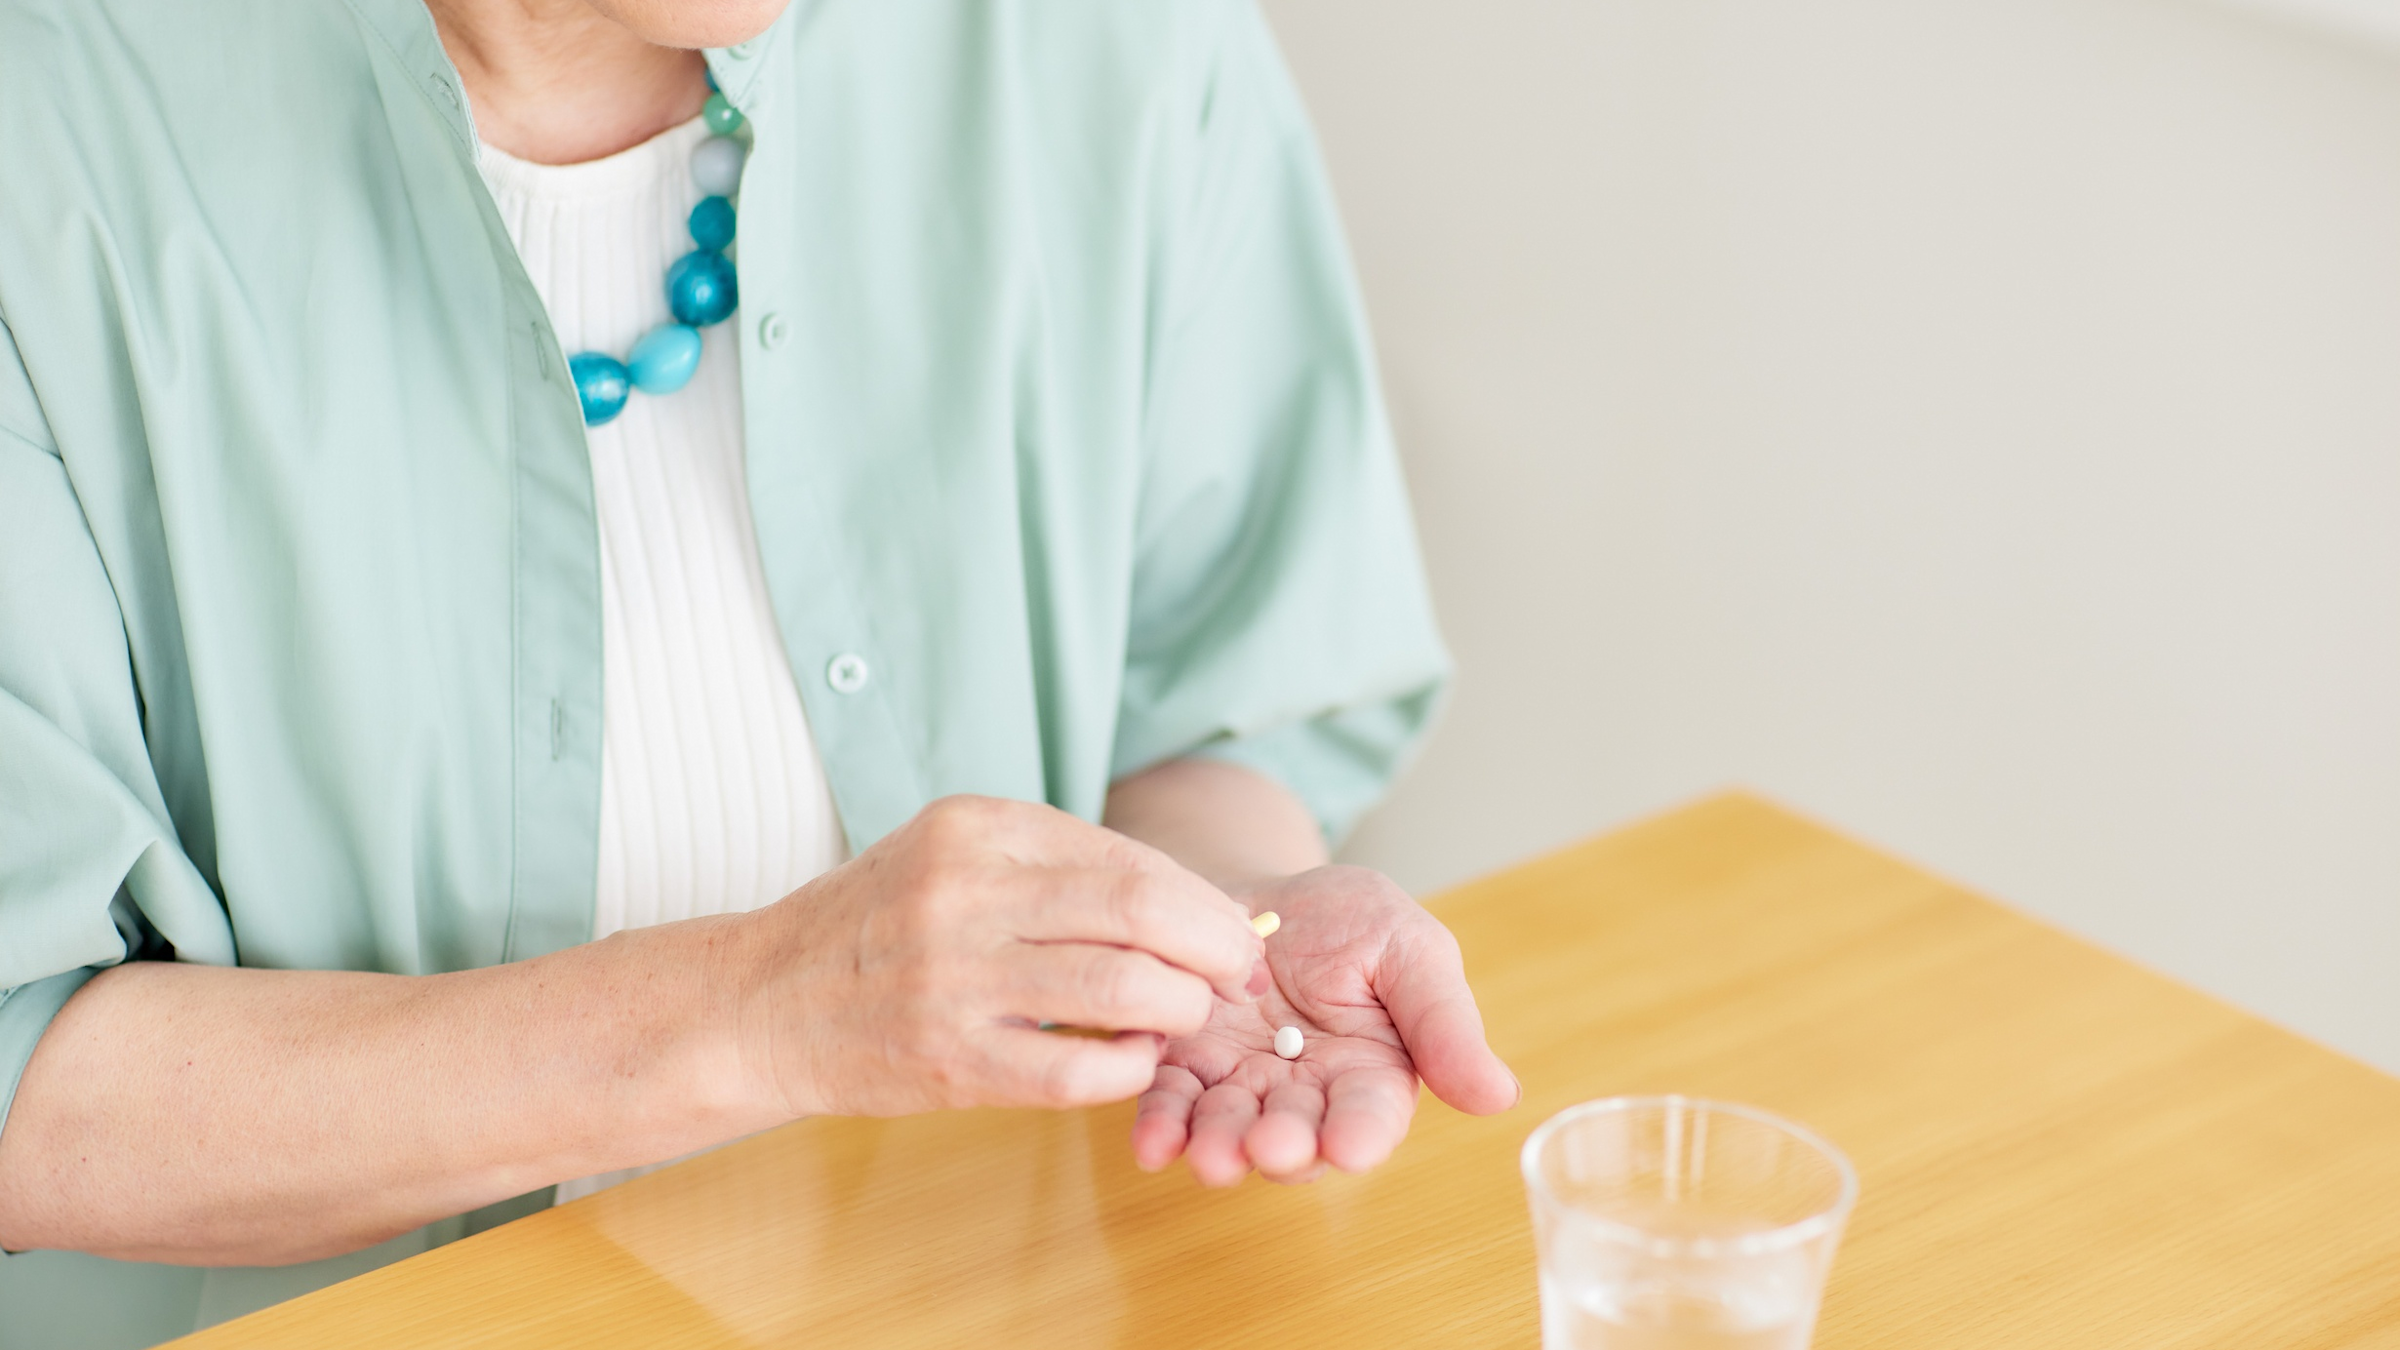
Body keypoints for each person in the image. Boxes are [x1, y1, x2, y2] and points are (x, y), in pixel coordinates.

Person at [0, 0, 1517, 1341]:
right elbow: (29, 1095)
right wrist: (766, 1005)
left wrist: (1220, 932)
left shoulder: (1109, 40)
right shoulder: (54, 128)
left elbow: (1206, 712)